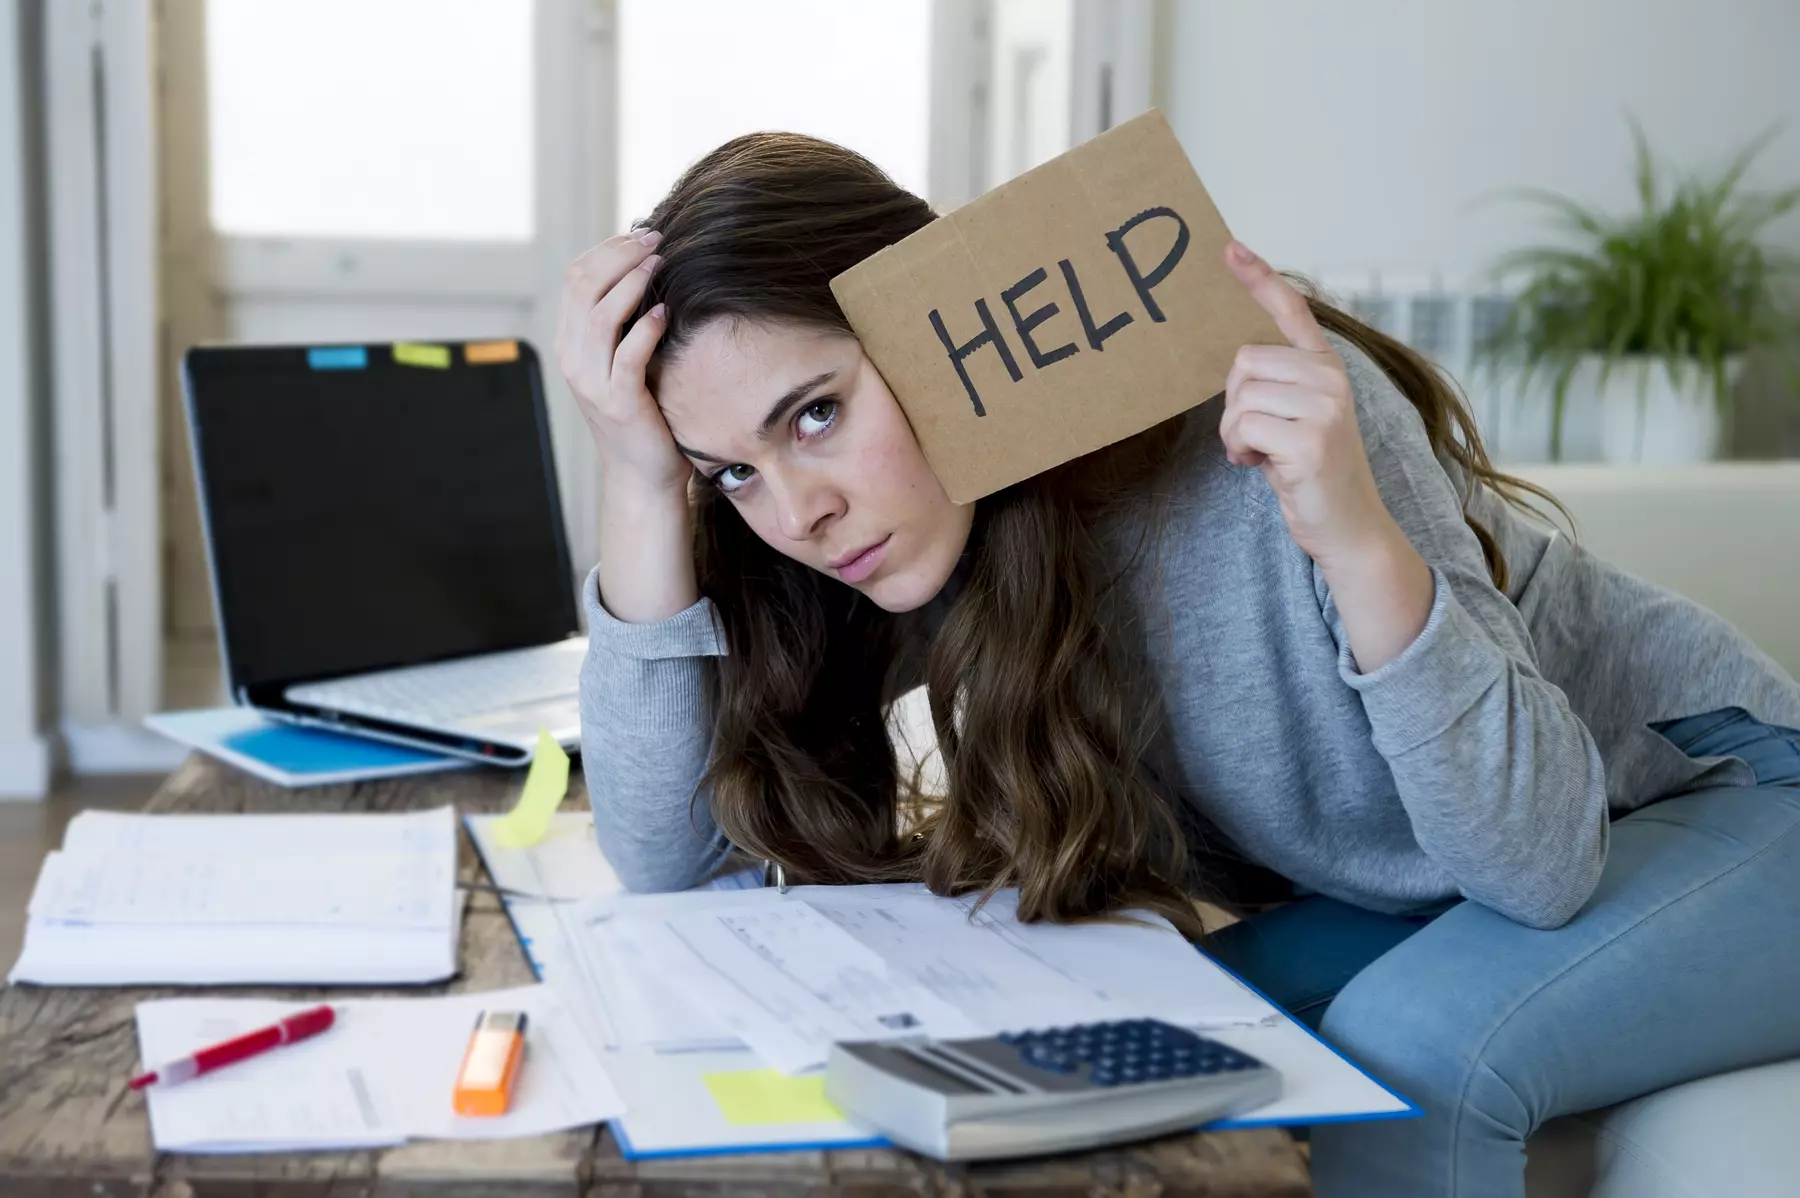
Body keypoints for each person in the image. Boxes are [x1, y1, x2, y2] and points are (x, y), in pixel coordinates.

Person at [555, 132, 1800, 1197]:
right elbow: (666, 861)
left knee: (1414, 1042)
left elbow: (1535, 862)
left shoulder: (1268, 419)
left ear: (938, 333)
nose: (797, 512)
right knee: (1133, 1026)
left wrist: (1357, 538)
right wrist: (641, 480)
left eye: (815, 412)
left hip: (1720, 796)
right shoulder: (899, 543)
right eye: (734, 470)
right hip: (1441, 881)